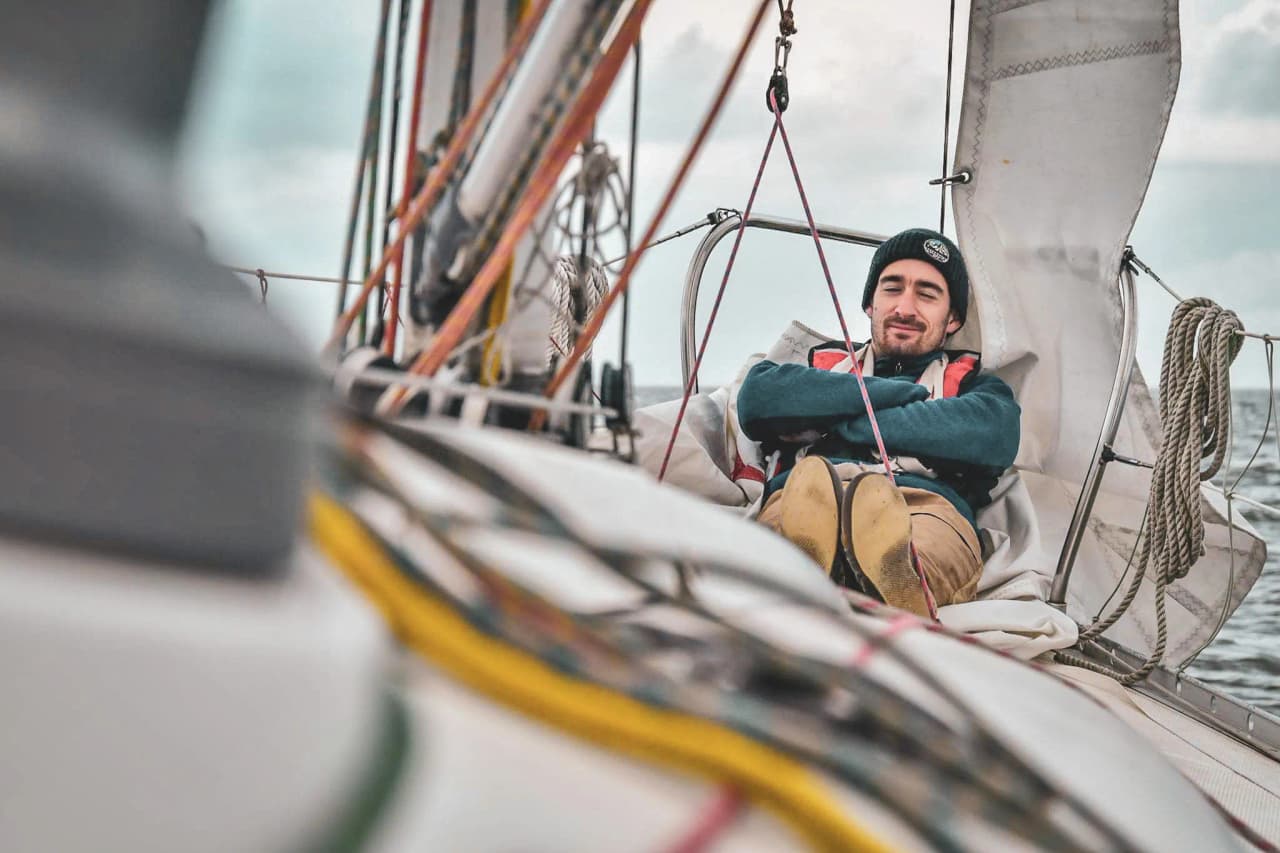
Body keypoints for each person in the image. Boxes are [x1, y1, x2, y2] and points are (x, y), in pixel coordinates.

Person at [736, 228, 1020, 617]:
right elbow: (758, 398)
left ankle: (894, 583)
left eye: (926, 294)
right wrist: (899, 396)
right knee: (786, 523)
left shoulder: (972, 382)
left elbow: (992, 434)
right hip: (809, 491)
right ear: (870, 303)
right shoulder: (823, 364)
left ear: (953, 318)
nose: (905, 307)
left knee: (924, 553)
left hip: (923, 506)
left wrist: (842, 419)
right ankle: (805, 568)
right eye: (892, 288)